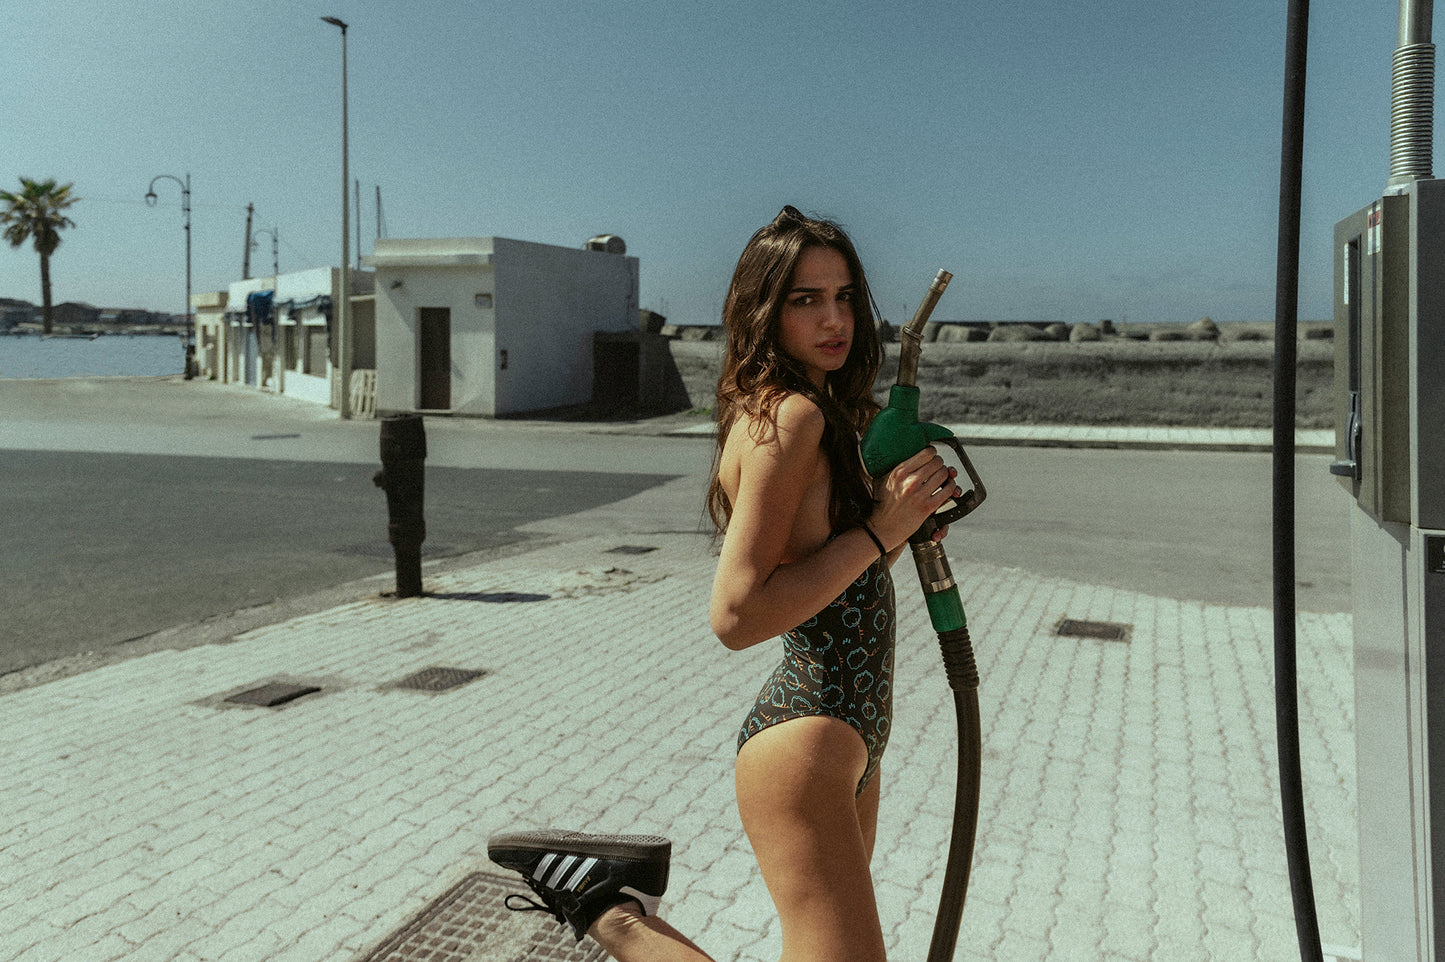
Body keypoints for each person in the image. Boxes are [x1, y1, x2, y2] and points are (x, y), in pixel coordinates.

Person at [489, 206, 960, 962]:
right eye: (805, 299)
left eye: (843, 296)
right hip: (808, 735)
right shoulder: (792, 416)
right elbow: (735, 616)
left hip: (850, 733)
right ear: (762, 311)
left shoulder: (821, 411)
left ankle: (601, 896)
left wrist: (897, 523)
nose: (833, 318)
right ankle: (605, 908)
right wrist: (880, 529)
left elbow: (832, 578)